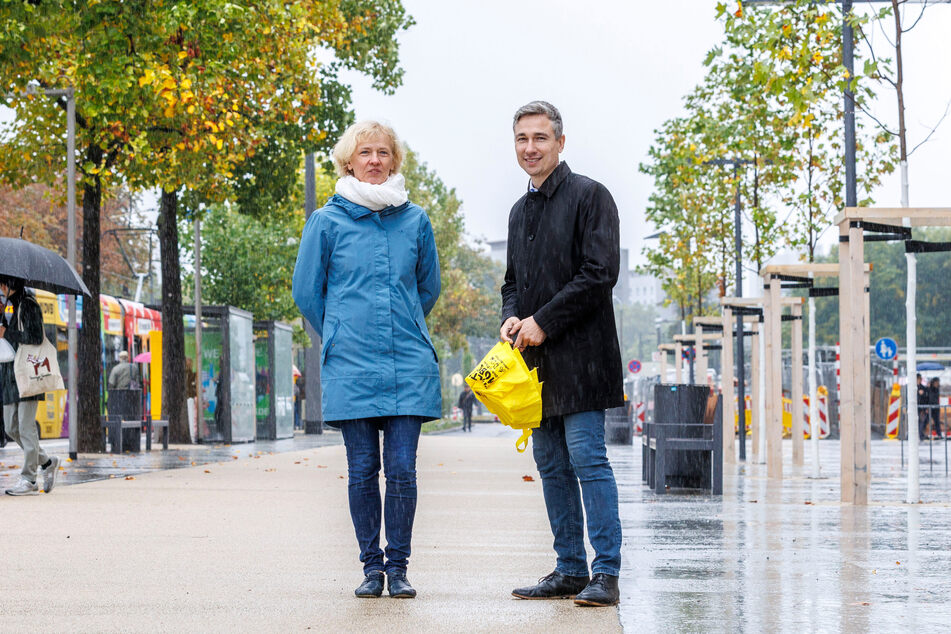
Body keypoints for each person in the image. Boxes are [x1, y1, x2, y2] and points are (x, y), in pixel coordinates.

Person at [292, 120, 441, 600]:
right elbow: (306, 293)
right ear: (349, 162)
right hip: (351, 363)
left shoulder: (415, 220)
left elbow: (427, 289)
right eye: (365, 153)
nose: (374, 160)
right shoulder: (326, 222)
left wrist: (406, 323)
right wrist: (338, 330)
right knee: (361, 469)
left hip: (407, 363)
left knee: (401, 469)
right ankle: (370, 568)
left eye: (382, 152)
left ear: (394, 161)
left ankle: (398, 567)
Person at [502, 101, 623, 608]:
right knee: (551, 466)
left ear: (560, 143)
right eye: (522, 139)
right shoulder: (518, 211)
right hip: (537, 367)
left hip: (584, 360)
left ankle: (607, 573)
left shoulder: (591, 197)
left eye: (540, 138)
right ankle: (570, 568)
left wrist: (542, 322)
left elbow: (598, 274)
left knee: (587, 460)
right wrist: (512, 317)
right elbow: (512, 283)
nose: (531, 148)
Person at [0, 275, 60, 495]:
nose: (1, 288)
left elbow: (35, 337)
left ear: (9, 285)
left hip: (26, 372)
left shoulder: (29, 304)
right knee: (10, 427)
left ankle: (29, 479)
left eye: (1, 285)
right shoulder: (7, 306)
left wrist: (8, 332)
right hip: (9, 374)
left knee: (26, 428)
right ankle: (46, 461)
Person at [917, 373, 930, 441]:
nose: (919, 380)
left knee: (923, 422)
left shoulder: (923, 387)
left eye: (920, 379)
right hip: (915, 408)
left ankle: (921, 435)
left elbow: (927, 398)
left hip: (923, 408)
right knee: (916, 422)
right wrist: (918, 394)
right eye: (918, 379)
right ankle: (918, 435)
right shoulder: (912, 388)